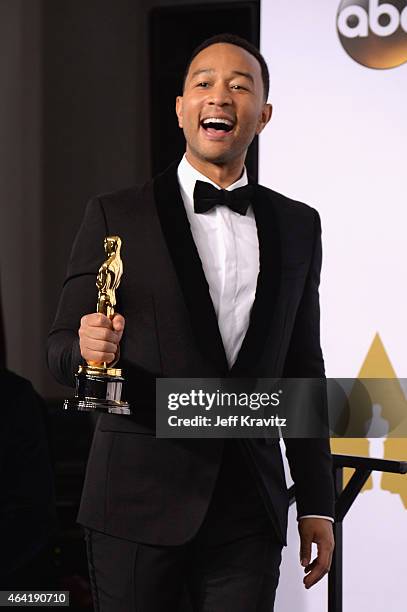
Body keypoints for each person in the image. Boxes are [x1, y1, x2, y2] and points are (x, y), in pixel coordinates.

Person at [48, 33, 335, 611]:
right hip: (134, 503)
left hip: (248, 509)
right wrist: (87, 349)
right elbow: (59, 352)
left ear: (264, 115)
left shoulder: (299, 225)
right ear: (180, 109)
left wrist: (316, 502)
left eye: (239, 85)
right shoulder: (115, 213)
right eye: (203, 83)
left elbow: (302, 369)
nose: (220, 97)